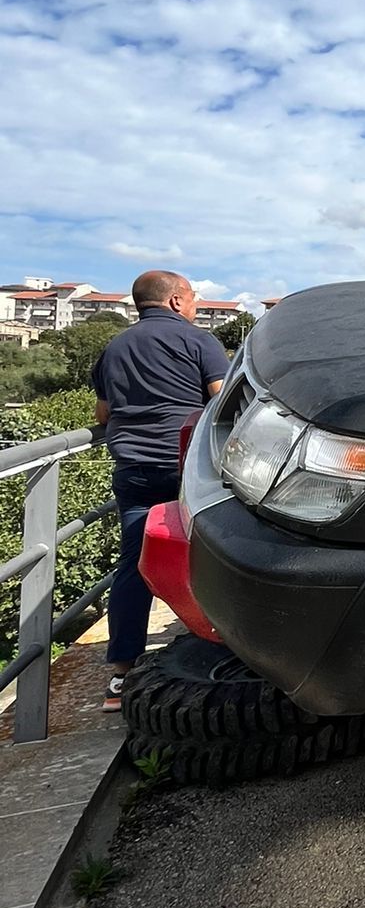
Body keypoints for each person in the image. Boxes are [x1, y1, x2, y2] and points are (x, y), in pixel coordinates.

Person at [91, 271, 227, 709]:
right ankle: (223, 647)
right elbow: (223, 400)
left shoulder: (114, 347)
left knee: (135, 562)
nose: (195, 306)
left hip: (134, 469)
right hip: (189, 468)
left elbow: (102, 413)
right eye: (192, 299)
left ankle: (121, 673)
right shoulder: (198, 341)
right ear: (174, 301)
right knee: (214, 552)